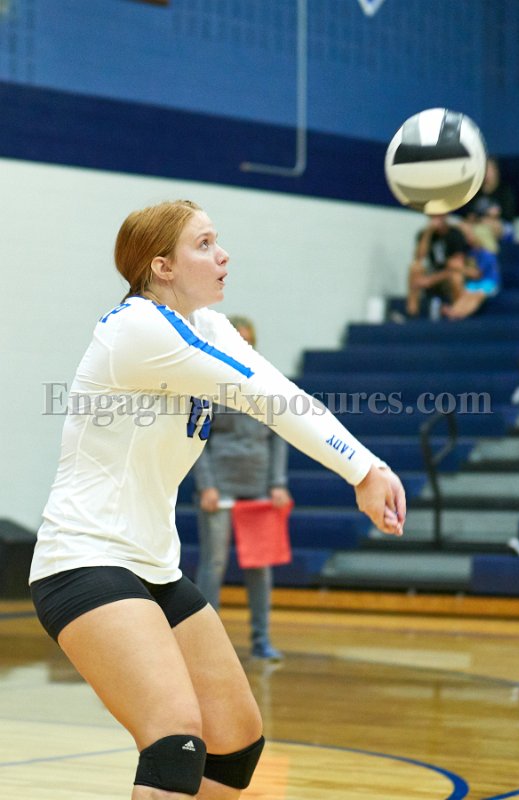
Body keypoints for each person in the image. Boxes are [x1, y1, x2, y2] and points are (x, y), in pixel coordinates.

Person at [29, 199, 406, 800]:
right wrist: (361, 471)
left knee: (234, 742)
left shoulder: (206, 325)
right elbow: (261, 396)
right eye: (203, 244)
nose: (223, 254)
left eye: (217, 240)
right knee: (174, 739)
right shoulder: (137, 329)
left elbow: (281, 391)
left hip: (154, 566)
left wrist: (370, 466)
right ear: (162, 267)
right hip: (84, 561)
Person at [193, 315, 291, 662]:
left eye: (247, 340)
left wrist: (278, 483)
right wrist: (206, 486)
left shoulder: (268, 381)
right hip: (219, 487)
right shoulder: (207, 382)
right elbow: (197, 440)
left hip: (259, 485)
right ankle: (207, 644)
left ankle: (261, 640)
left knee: (259, 566)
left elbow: (280, 437)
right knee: (214, 563)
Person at [405, 214, 470, 318]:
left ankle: (458, 312)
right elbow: (419, 257)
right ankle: (412, 313)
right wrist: (428, 233)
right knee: (415, 268)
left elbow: (457, 267)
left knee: (456, 275)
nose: (436, 220)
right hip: (435, 274)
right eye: (433, 217)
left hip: (450, 276)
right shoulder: (424, 234)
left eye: (439, 216)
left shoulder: (455, 234)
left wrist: (431, 280)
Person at [441, 210, 501, 320]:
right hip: (475, 283)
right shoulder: (470, 253)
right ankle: (454, 310)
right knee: (466, 295)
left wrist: (460, 270)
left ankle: (461, 314)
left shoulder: (487, 254)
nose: (469, 239)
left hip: (488, 282)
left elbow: (477, 274)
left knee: (477, 296)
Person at [461, 156, 516, 244]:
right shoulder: (475, 191)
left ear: (496, 171)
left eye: (489, 170)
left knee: (490, 226)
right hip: (477, 226)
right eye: (484, 170)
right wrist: (484, 217)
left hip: (502, 227)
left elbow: (507, 216)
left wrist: (491, 218)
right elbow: (469, 216)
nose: (486, 174)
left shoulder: (504, 191)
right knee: (465, 226)